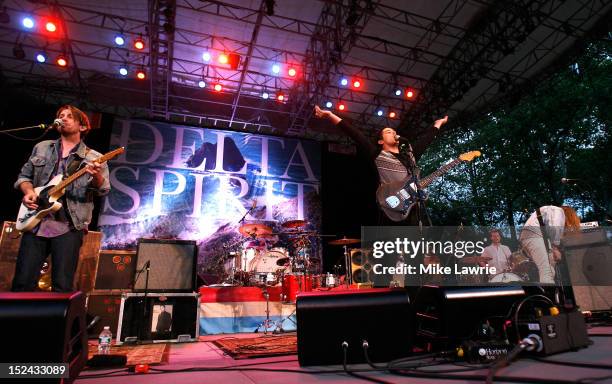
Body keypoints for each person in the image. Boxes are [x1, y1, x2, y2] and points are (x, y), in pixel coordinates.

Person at [11, 105, 110, 292]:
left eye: (69, 117)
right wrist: (28, 192)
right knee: (22, 282)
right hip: (36, 222)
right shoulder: (41, 147)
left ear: (82, 127)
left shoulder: (95, 157)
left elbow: (103, 190)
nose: (63, 119)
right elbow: (24, 178)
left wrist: (96, 175)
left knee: (62, 286)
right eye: (61, 116)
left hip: (69, 226)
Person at [314, 105, 448, 225]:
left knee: (416, 249)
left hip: (412, 211)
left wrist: (437, 124)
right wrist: (330, 115)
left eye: (394, 132)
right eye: (388, 132)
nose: (394, 133)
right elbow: (355, 134)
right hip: (391, 207)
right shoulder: (378, 155)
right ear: (380, 141)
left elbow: (425, 141)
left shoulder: (409, 156)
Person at [519, 205, 581, 284]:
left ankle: (547, 288)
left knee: (551, 269)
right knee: (546, 271)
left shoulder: (549, 211)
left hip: (530, 237)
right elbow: (554, 228)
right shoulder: (558, 211)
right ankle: (549, 293)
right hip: (534, 235)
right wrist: (555, 248)